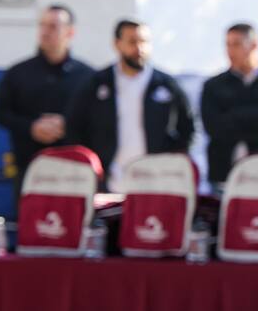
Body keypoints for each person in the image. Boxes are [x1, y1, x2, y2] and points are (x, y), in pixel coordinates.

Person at [65, 18, 195, 191]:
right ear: (117, 44)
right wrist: (91, 166)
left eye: (144, 42)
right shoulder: (97, 83)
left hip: (155, 181)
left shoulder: (166, 84)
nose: (139, 48)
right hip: (108, 182)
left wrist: (170, 160)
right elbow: (74, 126)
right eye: (132, 42)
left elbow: (190, 126)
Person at [0, 4, 94, 204]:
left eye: (53, 26)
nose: (45, 32)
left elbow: (98, 119)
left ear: (70, 32)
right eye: (42, 25)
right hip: (29, 170)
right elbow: (0, 113)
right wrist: (31, 127)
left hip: (75, 174)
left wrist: (67, 125)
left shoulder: (88, 77)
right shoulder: (17, 73)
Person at [200, 23, 258, 187]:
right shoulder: (214, 86)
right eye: (227, 45)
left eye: (236, 44)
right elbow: (213, 127)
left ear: (254, 45)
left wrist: (233, 115)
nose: (230, 51)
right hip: (223, 174)